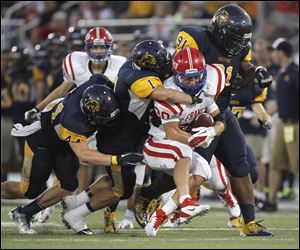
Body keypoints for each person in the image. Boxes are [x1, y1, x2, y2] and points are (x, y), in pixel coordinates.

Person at [135, 4, 273, 236]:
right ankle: (148, 196)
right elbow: (178, 69)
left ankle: (249, 223)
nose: (239, 45)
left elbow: (244, 67)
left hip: (219, 109)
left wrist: (256, 71)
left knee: (240, 164)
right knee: (191, 169)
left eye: (242, 40)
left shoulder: (237, 49)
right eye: (235, 39)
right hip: (193, 112)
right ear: (220, 32)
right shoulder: (195, 38)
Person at [60, 40, 203, 234]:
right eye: (161, 63)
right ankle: (77, 215)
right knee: (121, 190)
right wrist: (192, 99)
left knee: (119, 182)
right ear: (150, 65)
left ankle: (76, 202)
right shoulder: (138, 78)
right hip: (121, 138)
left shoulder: (134, 65)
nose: (166, 66)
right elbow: (163, 94)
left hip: (133, 134)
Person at [9, 74, 143, 235]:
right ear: (89, 114)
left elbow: (113, 84)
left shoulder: (98, 82)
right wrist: (117, 159)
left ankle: (24, 213)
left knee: (68, 184)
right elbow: (84, 155)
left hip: (64, 145)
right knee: (29, 190)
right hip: (42, 142)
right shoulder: (73, 121)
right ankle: (23, 209)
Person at [143, 47, 226, 237]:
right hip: (157, 144)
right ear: (176, 74)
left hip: (181, 146)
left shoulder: (205, 88)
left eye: (197, 76)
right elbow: (172, 134)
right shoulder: (169, 92)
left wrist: (211, 131)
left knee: (203, 170)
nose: (194, 81)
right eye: (188, 78)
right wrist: (198, 139)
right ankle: (187, 202)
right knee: (184, 151)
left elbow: (221, 121)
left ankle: (158, 216)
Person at [262, 38, 299, 211]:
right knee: (276, 164)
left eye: (275, 51)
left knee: (296, 164)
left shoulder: (295, 73)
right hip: (282, 124)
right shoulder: (280, 73)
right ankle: (271, 201)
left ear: (282, 52)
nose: (273, 54)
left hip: (295, 125)